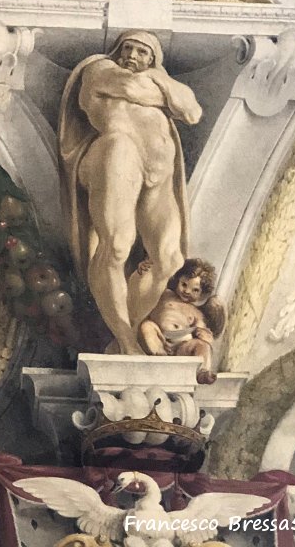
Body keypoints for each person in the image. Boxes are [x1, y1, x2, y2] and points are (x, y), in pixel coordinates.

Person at [58, 30, 202, 354]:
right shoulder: (99, 69)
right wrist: (163, 88)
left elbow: (192, 113)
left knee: (170, 259)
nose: (132, 56)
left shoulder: (157, 78)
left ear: (153, 59)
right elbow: (129, 87)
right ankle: (126, 340)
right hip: (117, 153)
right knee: (117, 247)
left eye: (142, 52)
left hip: (158, 171)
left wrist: (160, 81)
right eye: (128, 48)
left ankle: (127, 330)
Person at [138, 258, 224, 384]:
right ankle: (159, 355)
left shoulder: (195, 311)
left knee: (202, 345)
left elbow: (203, 332)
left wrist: (205, 336)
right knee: (147, 326)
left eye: (195, 290)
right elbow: (148, 285)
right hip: (160, 338)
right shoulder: (165, 294)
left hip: (181, 346)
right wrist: (144, 271)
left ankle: (203, 371)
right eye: (184, 284)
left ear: (202, 293)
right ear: (178, 280)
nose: (187, 291)